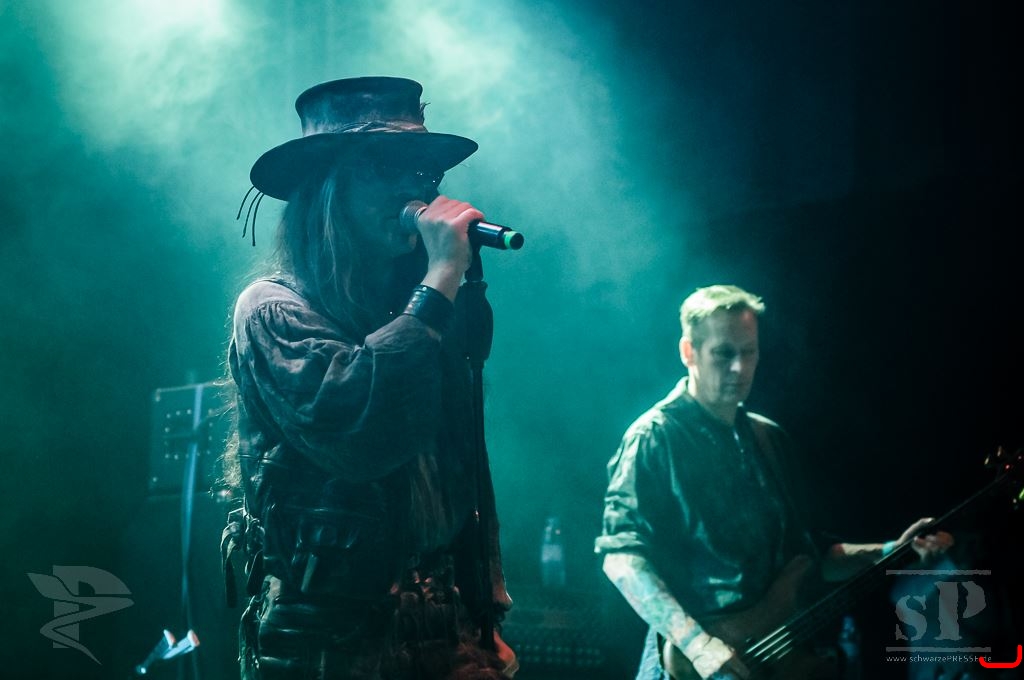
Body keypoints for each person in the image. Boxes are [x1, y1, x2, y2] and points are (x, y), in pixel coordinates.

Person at [222, 76, 516, 680]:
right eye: (386, 167)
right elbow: (362, 432)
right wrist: (439, 280)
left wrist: (486, 617)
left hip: (445, 633)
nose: (415, 187)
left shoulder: (418, 312)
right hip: (329, 647)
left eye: (424, 171)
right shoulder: (273, 309)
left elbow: (463, 462)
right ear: (328, 188)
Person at [595, 284, 953, 680]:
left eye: (748, 352)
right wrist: (697, 644)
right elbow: (622, 557)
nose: (739, 368)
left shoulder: (769, 439)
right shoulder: (654, 437)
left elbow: (809, 558)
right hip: (691, 667)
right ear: (688, 352)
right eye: (723, 353)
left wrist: (891, 550)